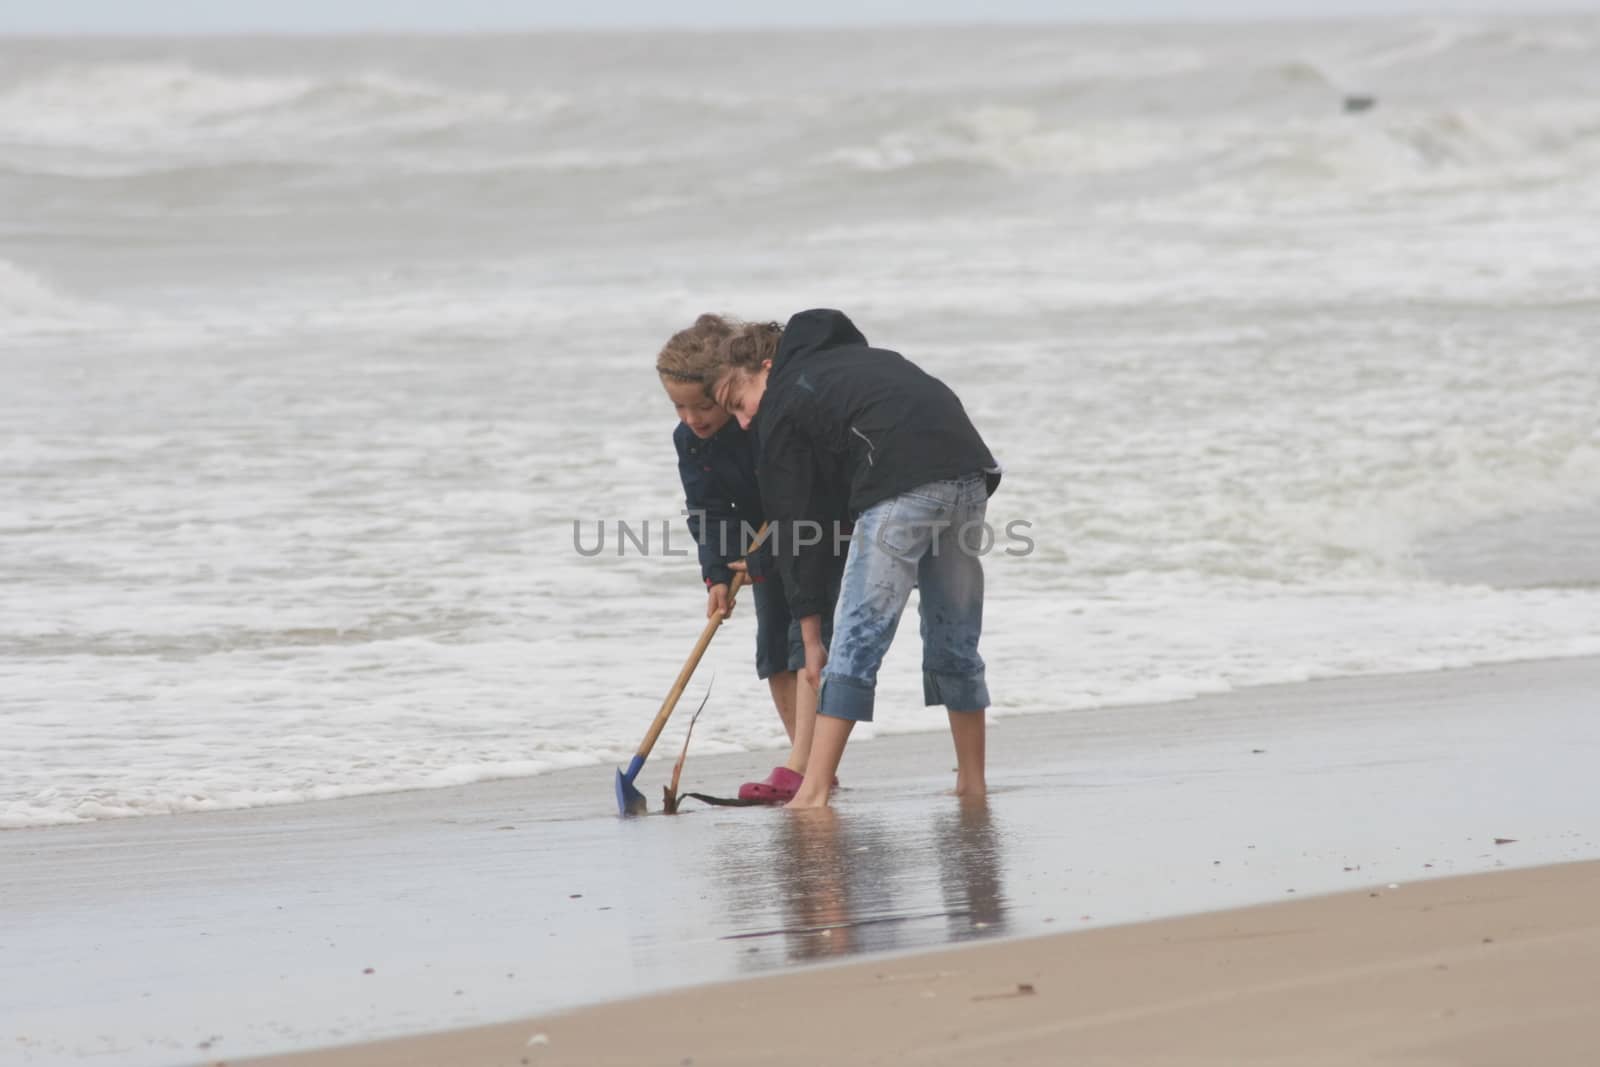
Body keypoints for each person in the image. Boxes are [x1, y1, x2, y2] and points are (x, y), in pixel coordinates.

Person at [711, 310, 1000, 809]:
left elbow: (796, 520)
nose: (744, 420)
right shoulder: (859, 361)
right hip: (971, 473)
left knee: (856, 638)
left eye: (740, 403)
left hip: (905, 485)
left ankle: (814, 792)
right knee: (954, 638)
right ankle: (972, 785)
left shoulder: (783, 397)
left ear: (764, 366)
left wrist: (809, 636)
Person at [656, 315, 840, 803]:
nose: (692, 418)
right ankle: (805, 758)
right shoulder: (690, 440)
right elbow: (708, 508)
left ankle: (804, 764)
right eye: (678, 406)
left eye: (701, 405)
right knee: (773, 652)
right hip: (758, 548)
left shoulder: (760, 416)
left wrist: (772, 543)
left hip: (806, 532)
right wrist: (716, 572)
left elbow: (801, 487)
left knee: (806, 644)